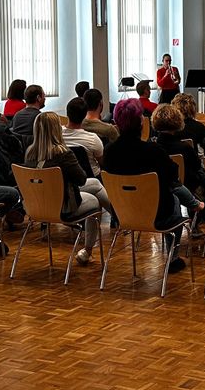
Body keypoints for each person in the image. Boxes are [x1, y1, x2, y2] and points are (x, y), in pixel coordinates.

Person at [100, 99, 186, 274]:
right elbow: (172, 176)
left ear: (116, 123)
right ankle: (173, 257)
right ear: (141, 122)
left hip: (122, 213)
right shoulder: (153, 151)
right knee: (175, 199)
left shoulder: (109, 151)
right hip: (157, 215)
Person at [25, 112, 109, 266]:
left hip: (36, 207)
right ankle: (88, 249)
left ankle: (119, 215)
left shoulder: (29, 153)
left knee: (95, 185)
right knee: (95, 200)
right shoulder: (63, 154)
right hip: (63, 207)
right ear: (57, 129)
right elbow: (81, 179)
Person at [152, 103, 205, 218]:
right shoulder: (185, 148)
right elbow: (197, 166)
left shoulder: (152, 148)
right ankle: (204, 211)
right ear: (178, 121)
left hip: (158, 189)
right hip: (186, 184)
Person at [62, 96, 105, 176]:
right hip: (91, 179)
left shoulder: (56, 135)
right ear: (85, 115)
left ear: (67, 113)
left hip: (65, 179)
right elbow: (102, 162)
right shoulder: (93, 139)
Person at [9, 84, 46, 155]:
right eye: (44, 95)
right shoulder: (40, 117)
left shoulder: (17, 115)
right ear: (38, 98)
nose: (45, 98)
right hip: (35, 157)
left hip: (17, 158)